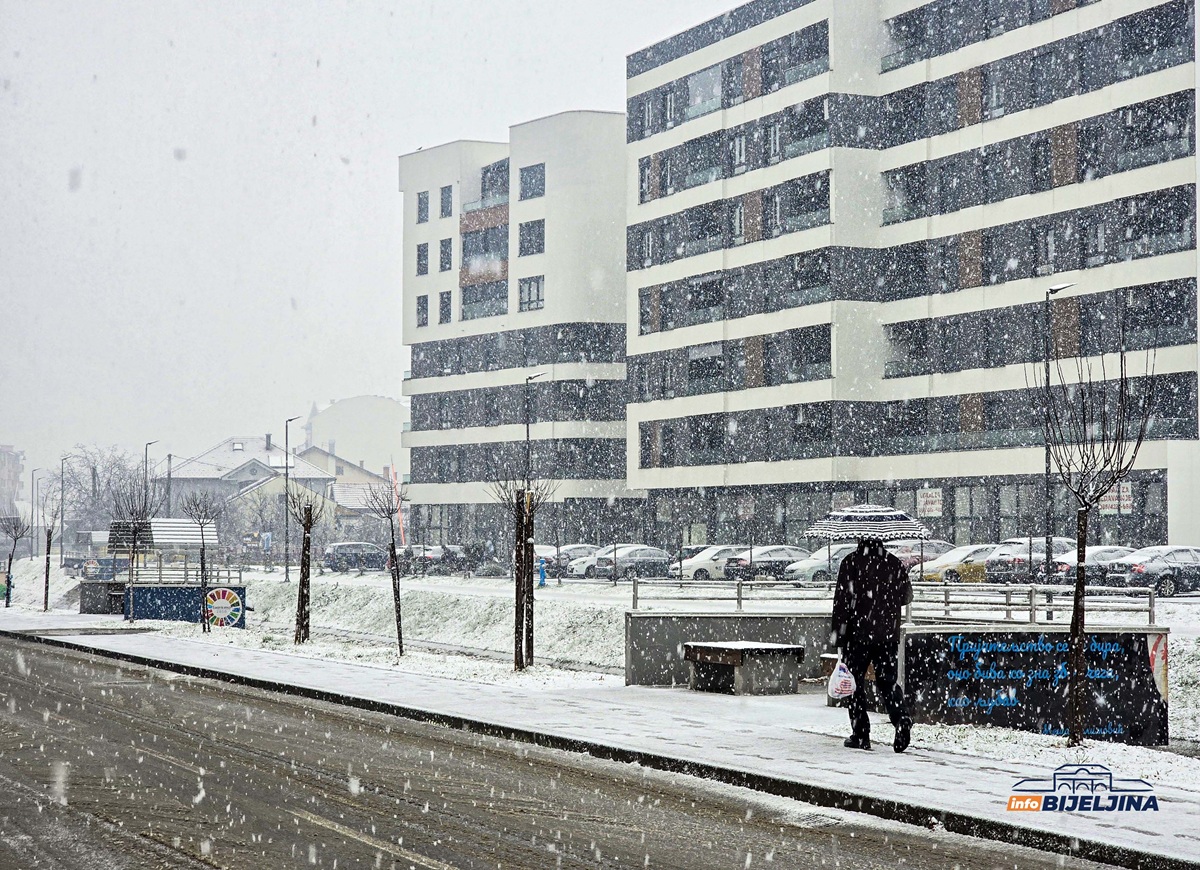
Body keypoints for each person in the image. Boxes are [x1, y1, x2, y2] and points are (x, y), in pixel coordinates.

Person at [830, 537, 913, 753]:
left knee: (853, 684)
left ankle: (861, 734)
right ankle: (902, 718)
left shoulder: (851, 562)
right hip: (887, 635)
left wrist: (838, 636)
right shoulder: (894, 562)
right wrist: (885, 599)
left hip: (858, 636)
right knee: (888, 682)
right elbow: (906, 597)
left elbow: (841, 602)